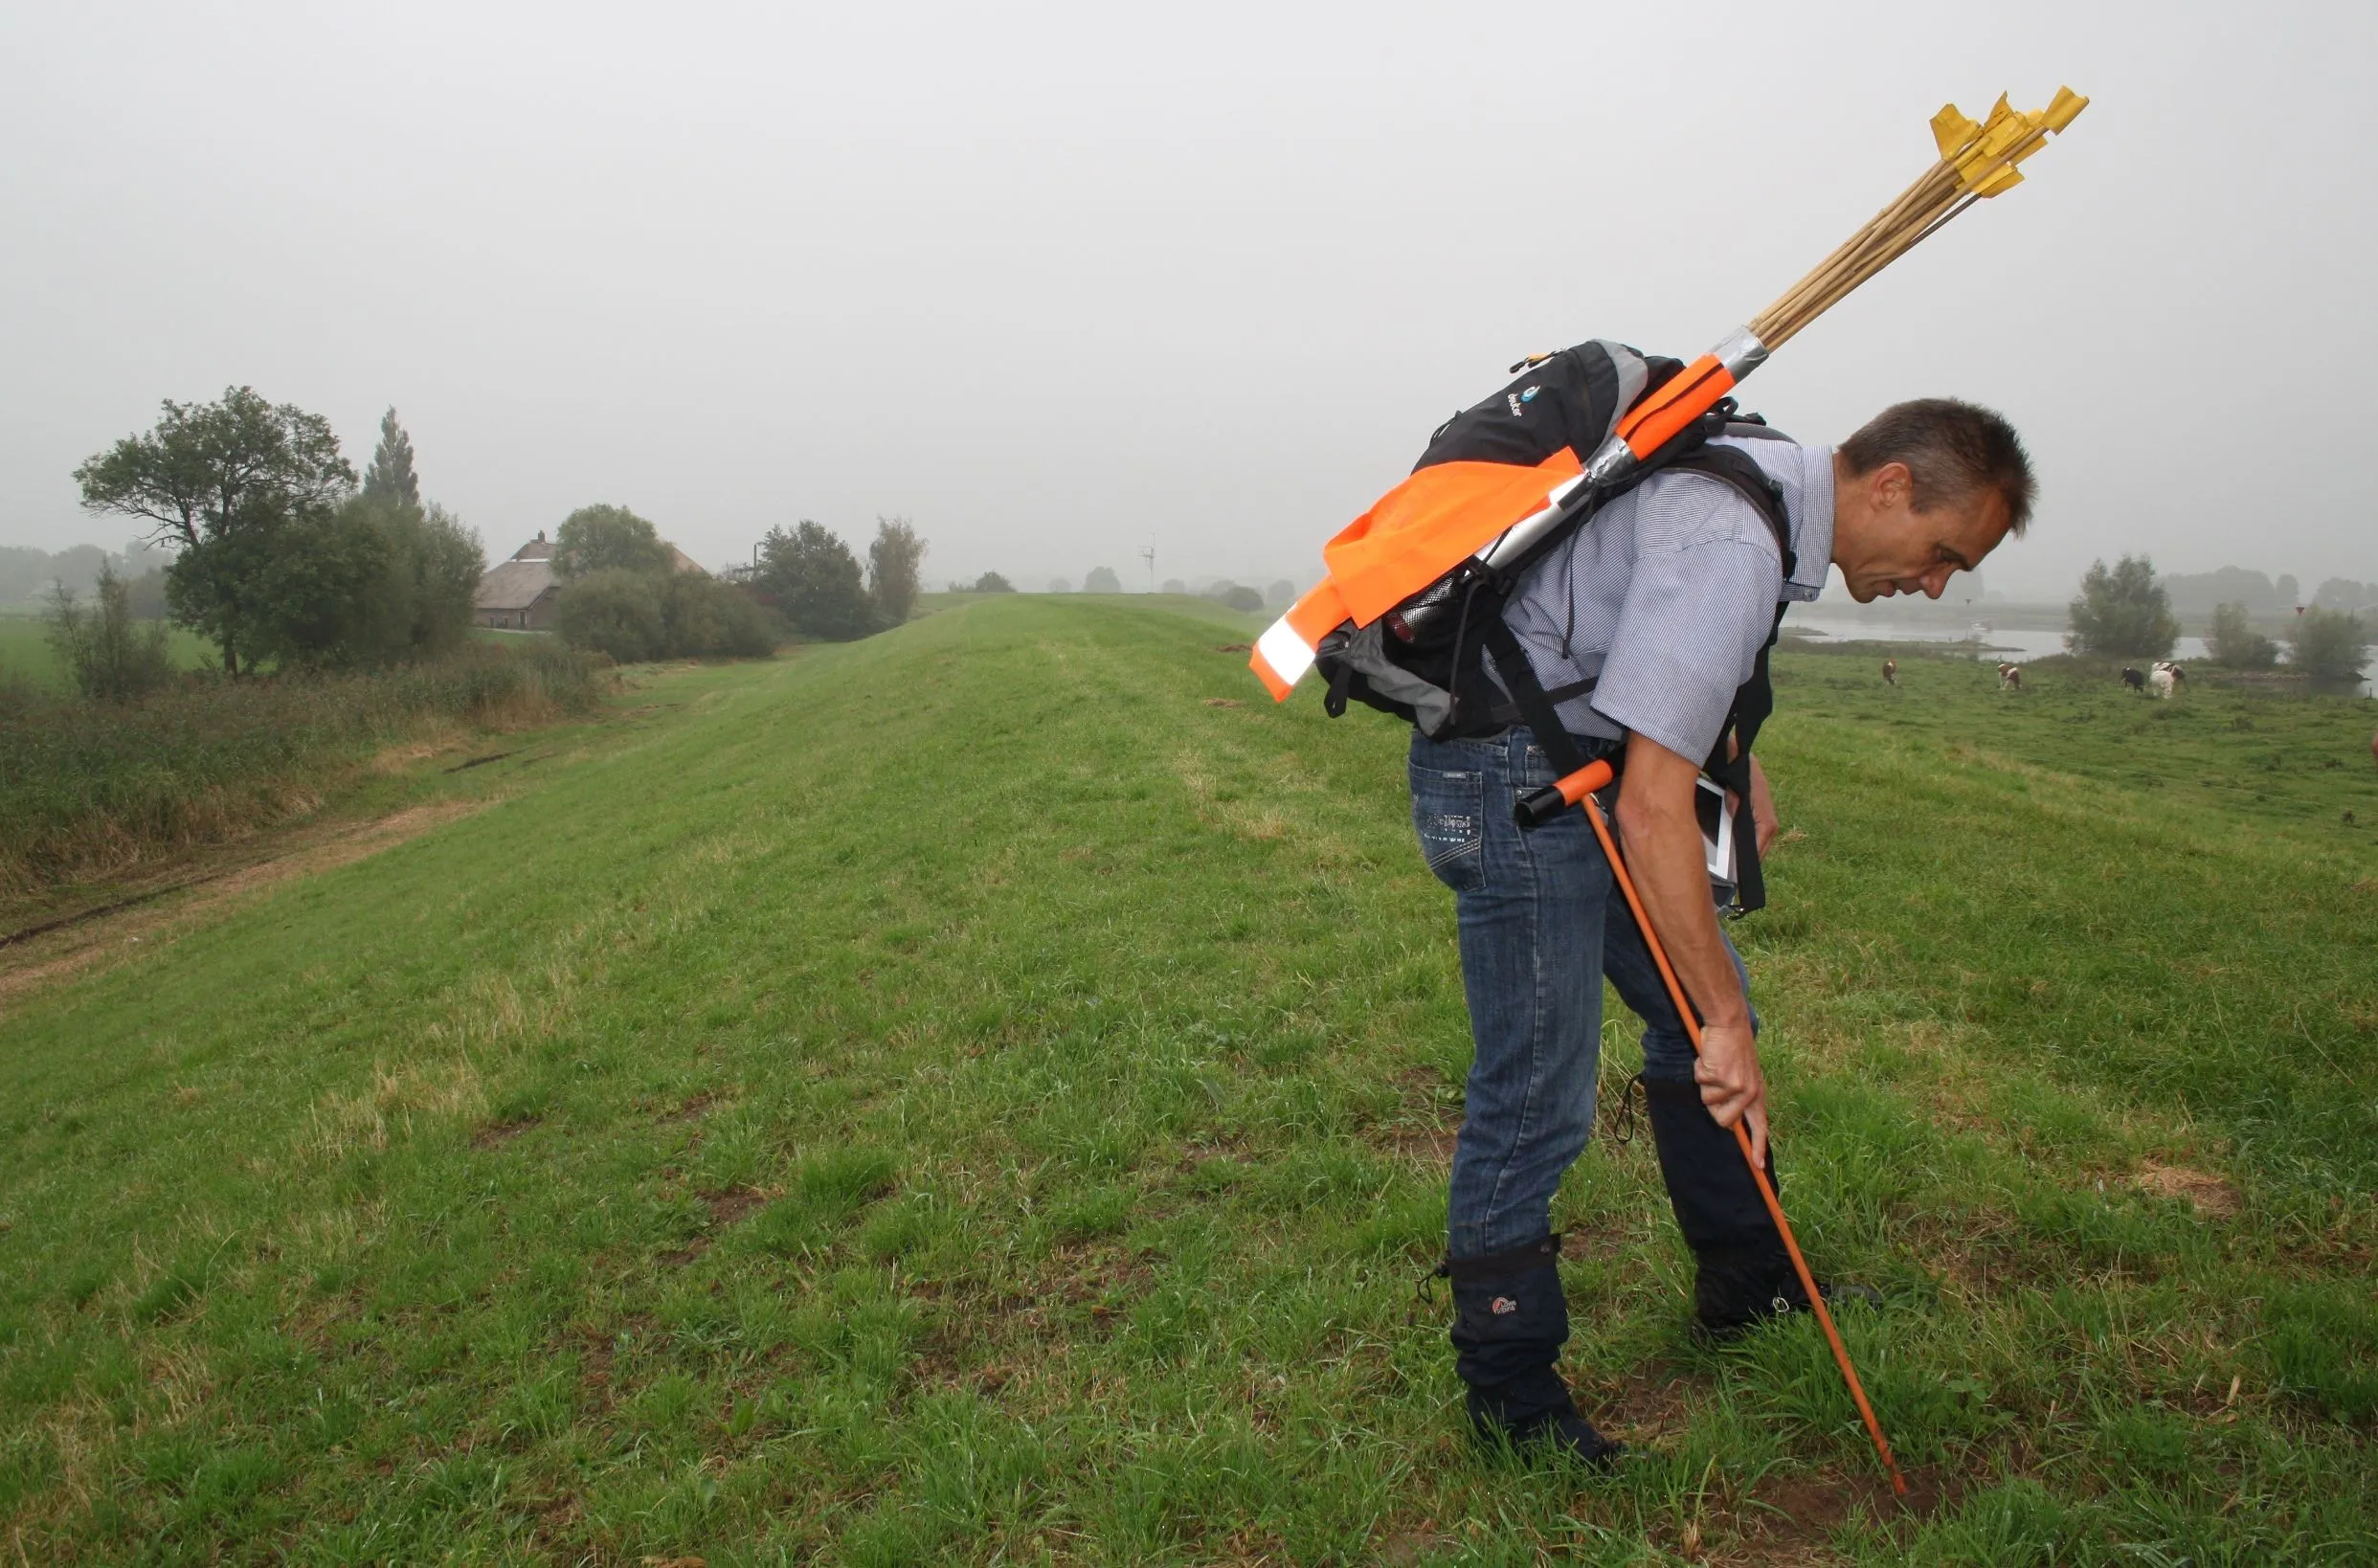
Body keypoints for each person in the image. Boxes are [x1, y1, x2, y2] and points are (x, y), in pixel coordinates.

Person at [1413, 397, 2036, 1465]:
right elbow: (1656, 812)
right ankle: (1511, 1402)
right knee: (1542, 1091)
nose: (1931, 586)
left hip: (1569, 762)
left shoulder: (1762, 489)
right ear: (1889, 487)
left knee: (1683, 1010)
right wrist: (1728, 1020)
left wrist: (1735, 757)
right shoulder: (1735, 535)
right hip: (1520, 782)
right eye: (1941, 556)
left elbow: (1638, 644)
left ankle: (1748, 1286)